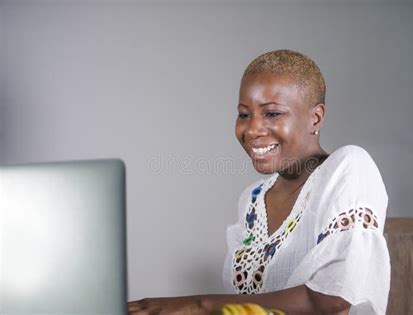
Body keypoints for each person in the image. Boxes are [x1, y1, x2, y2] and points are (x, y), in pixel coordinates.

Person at [128, 50, 390, 315]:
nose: (252, 130)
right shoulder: (252, 199)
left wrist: (199, 305)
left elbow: (331, 300)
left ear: (316, 118)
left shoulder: (349, 167)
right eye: (244, 114)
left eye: (272, 114)